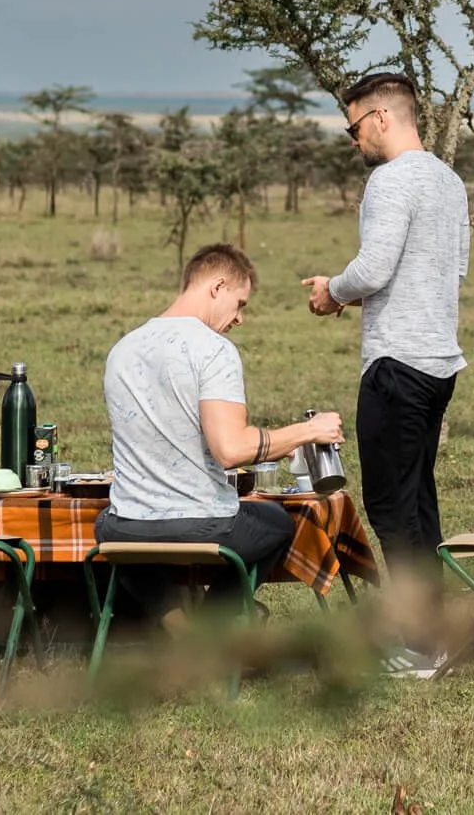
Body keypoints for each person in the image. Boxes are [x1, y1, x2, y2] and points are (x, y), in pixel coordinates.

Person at [99, 243, 344, 623]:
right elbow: (230, 450)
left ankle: (178, 630)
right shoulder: (213, 349)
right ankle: (212, 627)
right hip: (199, 525)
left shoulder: (122, 349)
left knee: (111, 532)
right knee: (279, 523)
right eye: (240, 303)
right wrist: (309, 431)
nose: (240, 318)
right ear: (217, 286)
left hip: (125, 525)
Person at [302, 71, 471, 602]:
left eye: (354, 127)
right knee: (418, 500)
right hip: (438, 365)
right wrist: (350, 294)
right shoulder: (450, 181)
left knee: (390, 506)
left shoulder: (391, 179)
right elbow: (448, 270)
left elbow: (375, 269)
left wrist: (334, 290)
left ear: (381, 117)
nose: (354, 140)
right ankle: (433, 627)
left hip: (395, 364)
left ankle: (421, 639)